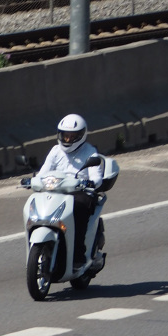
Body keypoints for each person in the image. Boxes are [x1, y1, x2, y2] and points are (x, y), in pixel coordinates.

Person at [36, 114, 104, 269]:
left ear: (81, 136)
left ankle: (79, 255)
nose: (67, 140)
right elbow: (43, 173)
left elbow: (96, 177)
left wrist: (90, 182)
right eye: (65, 136)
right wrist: (32, 181)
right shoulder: (55, 151)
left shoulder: (89, 152)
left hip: (81, 193)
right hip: (57, 190)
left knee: (78, 207)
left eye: (72, 136)